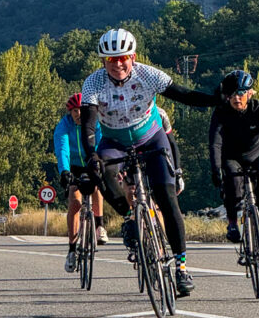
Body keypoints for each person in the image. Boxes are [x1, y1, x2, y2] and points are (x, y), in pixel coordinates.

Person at [80, 28, 221, 297]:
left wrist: (216, 99)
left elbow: (185, 95)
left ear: (133, 56)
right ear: (103, 61)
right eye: (111, 59)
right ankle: (129, 216)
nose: (118, 64)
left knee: (168, 200)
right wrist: (91, 156)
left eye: (123, 57)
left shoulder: (148, 75)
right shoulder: (93, 84)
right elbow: (87, 127)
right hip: (115, 141)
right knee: (102, 172)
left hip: (151, 138)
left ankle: (181, 268)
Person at [209, 69, 259, 282]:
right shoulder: (221, 111)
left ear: (250, 93)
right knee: (231, 180)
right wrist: (215, 169)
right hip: (231, 156)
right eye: (232, 94)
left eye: (241, 93)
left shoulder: (258, 108)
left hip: (257, 156)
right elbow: (215, 143)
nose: (236, 98)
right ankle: (232, 221)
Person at [54, 93, 106, 273]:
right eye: (74, 110)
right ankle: (71, 249)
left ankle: (99, 226)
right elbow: (62, 149)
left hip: (92, 162)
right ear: (70, 112)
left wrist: (100, 163)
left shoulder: (95, 122)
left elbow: (101, 144)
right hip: (74, 166)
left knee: (97, 187)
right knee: (75, 202)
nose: (78, 114)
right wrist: (64, 171)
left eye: (81, 110)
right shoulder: (64, 125)